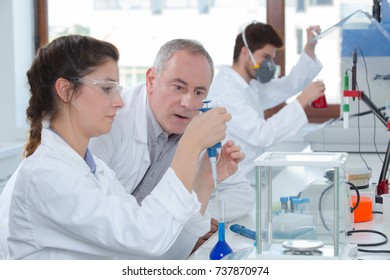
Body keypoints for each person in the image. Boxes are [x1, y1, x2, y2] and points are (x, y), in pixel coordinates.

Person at [4, 35, 239, 260]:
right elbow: (147, 237)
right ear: (66, 91)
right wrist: (191, 144)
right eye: (107, 88)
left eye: (117, 88)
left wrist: (205, 180)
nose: (120, 101)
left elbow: (157, 249)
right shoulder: (48, 176)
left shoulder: (98, 172)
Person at [89, 39, 255, 259]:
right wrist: (178, 226)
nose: (188, 102)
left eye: (199, 92)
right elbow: (98, 218)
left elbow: (243, 194)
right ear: (151, 80)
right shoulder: (111, 120)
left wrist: (190, 225)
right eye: (178, 87)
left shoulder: (201, 121)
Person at [208, 22, 326, 186]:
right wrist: (303, 99)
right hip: (232, 185)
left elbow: (289, 85)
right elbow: (261, 134)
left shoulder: (249, 84)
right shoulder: (227, 92)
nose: (269, 64)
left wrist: (310, 47)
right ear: (245, 53)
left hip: (249, 179)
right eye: (265, 57)